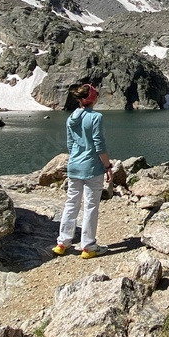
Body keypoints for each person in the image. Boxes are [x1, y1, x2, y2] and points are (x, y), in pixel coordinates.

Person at [53, 83, 113, 258]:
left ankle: (62, 243)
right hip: (92, 167)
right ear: (93, 98)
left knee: (71, 203)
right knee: (91, 206)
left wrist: (76, 158)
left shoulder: (71, 118)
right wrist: (108, 166)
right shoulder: (96, 117)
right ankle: (88, 246)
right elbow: (99, 144)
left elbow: (70, 144)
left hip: (74, 166)